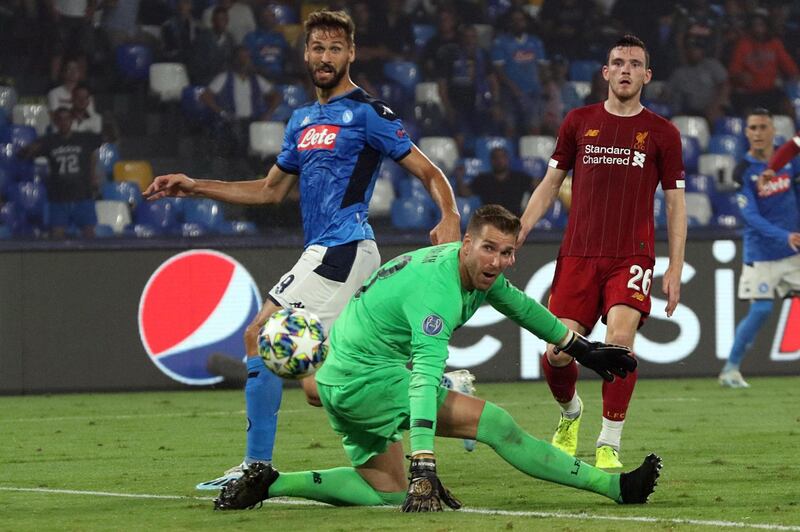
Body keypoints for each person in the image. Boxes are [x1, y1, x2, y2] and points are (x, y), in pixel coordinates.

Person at [144, 9, 461, 491]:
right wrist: (196, 187)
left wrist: (450, 215)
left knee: (259, 334)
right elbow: (270, 191)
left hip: (344, 246)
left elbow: (430, 173)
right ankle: (441, 392)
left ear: (351, 53)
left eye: (336, 48)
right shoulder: (301, 119)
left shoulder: (368, 113)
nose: (326, 56)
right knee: (318, 386)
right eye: (318, 48)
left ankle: (256, 466)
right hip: (326, 250)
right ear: (306, 53)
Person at [212, 205, 661, 512]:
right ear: (467, 244)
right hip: (365, 380)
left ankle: (272, 481)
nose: (499, 262)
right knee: (497, 424)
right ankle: (615, 487)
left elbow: (522, 306)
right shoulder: (438, 296)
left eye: (508, 253)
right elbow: (423, 380)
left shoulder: (467, 268)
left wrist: (580, 346)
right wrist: (423, 461)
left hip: (341, 376)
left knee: (384, 489)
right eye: (490, 249)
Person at [517, 35, 687, 469]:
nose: (625, 69)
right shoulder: (578, 122)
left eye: (634, 63)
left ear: (647, 76)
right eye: (618, 62)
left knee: (620, 343)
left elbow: (674, 203)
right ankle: (571, 413)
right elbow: (551, 184)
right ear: (605, 72)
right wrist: (519, 229)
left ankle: (609, 441)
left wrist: (676, 266)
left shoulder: (663, 133)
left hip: (632, 254)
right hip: (578, 255)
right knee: (557, 352)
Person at [719, 108, 800, 388]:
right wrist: (785, 235)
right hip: (762, 253)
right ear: (746, 132)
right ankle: (730, 368)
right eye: (752, 128)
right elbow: (750, 217)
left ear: (773, 130)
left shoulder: (789, 160)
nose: (758, 133)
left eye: (763, 127)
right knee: (762, 309)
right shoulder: (743, 171)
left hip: (793, 253)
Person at [18, 107, 103, 239]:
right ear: (56, 122)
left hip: (82, 194)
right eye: (60, 120)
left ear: (72, 120)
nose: (64, 122)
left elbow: (93, 153)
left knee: (89, 233)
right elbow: (24, 154)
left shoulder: (84, 138)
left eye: (67, 119)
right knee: (57, 235)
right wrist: (30, 149)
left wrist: (93, 175)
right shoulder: (49, 140)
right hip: (58, 196)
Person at [200, 46, 280, 159]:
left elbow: (276, 95)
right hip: (232, 120)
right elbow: (205, 96)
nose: (244, 62)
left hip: (252, 121)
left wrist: (268, 113)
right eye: (241, 58)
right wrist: (221, 111)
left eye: (246, 58)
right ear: (234, 60)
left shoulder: (257, 79)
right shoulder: (224, 78)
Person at [458, 146, 534, 216]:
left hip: (514, 222)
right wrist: (459, 176)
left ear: (507, 159)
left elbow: (536, 186)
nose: (499, 160)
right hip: (490, 221)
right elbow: (464, 193)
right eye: (495, 157)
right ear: (491, 160)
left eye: (502, 157)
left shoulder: (519, 178)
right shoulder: (483, 179)